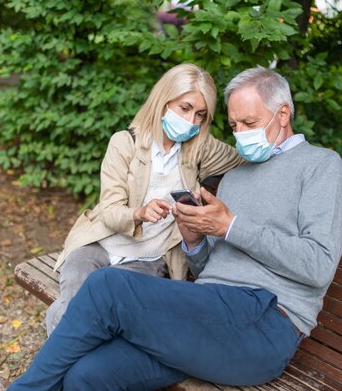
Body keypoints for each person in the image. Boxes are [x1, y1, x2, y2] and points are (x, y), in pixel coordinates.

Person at [8, 66, 342, 390]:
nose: (241, 135)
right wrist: (194, 241)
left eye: (250, 122)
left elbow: (318, 266)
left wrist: (231, 226)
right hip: (205, 314)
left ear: (283, 114)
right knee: (88, 376)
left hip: (263, 324)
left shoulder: (321, 166)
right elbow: (213, 269)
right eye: (234, 126)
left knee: (107, 287)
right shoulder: (236, 175)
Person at [45, 63, 244, 335]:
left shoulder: (200, 149)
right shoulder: (124, 143)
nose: (191, 121)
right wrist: (138, 213)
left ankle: (64, 367)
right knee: (74, 296)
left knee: (103, 304)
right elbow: (110, 210)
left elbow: (244, 157)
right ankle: (71, 367)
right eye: (184, 108)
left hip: (148, 258)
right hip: (101, 244)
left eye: (200, 114)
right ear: (163, 103)